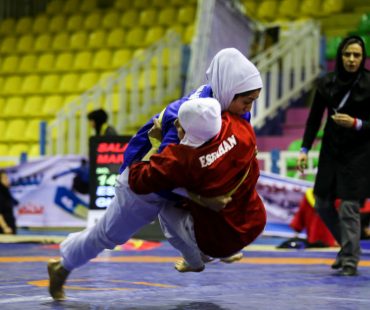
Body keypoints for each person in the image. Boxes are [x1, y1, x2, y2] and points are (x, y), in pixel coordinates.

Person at [47, 48, 263, 300]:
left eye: (252, 102)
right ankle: (62, 266)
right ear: (228, 91)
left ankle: (206, 250)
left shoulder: (231, 103)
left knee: (215, 202)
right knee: (108, 235)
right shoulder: (183, 123)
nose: (248, 109)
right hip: (145, 179)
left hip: (179, 175)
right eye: (246, 102)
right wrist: (201, 198)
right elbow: (160, 177)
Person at [128, 98, 266, 272]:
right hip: (256, 221)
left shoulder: (180, 161)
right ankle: (225, 252)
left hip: (217, 243)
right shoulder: (240, 129)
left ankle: (193, 261)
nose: (176, 124)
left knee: (165, 207)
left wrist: (157, 145)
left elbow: (136, 179)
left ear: (186, 134)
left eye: (179, 125)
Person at [297, 35, 370, 276]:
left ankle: (350, 259)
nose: (351, 59)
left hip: (359, 152)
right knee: (322, 202)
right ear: (340, 56)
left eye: (356, 55)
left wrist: (356, 123)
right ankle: (347, 247)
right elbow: (314, 119)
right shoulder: (326, 83)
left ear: (363, 58)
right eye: (347, 54)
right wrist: (305, 149)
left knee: (349, 206)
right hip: (331, 149)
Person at [0, 170, 18, 235]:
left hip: (10, 228)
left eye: (7, 178)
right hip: (4, 232)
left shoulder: (6, 192)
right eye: (4, 178)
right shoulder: (1, 192)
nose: (7, 180)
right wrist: (5, 227)